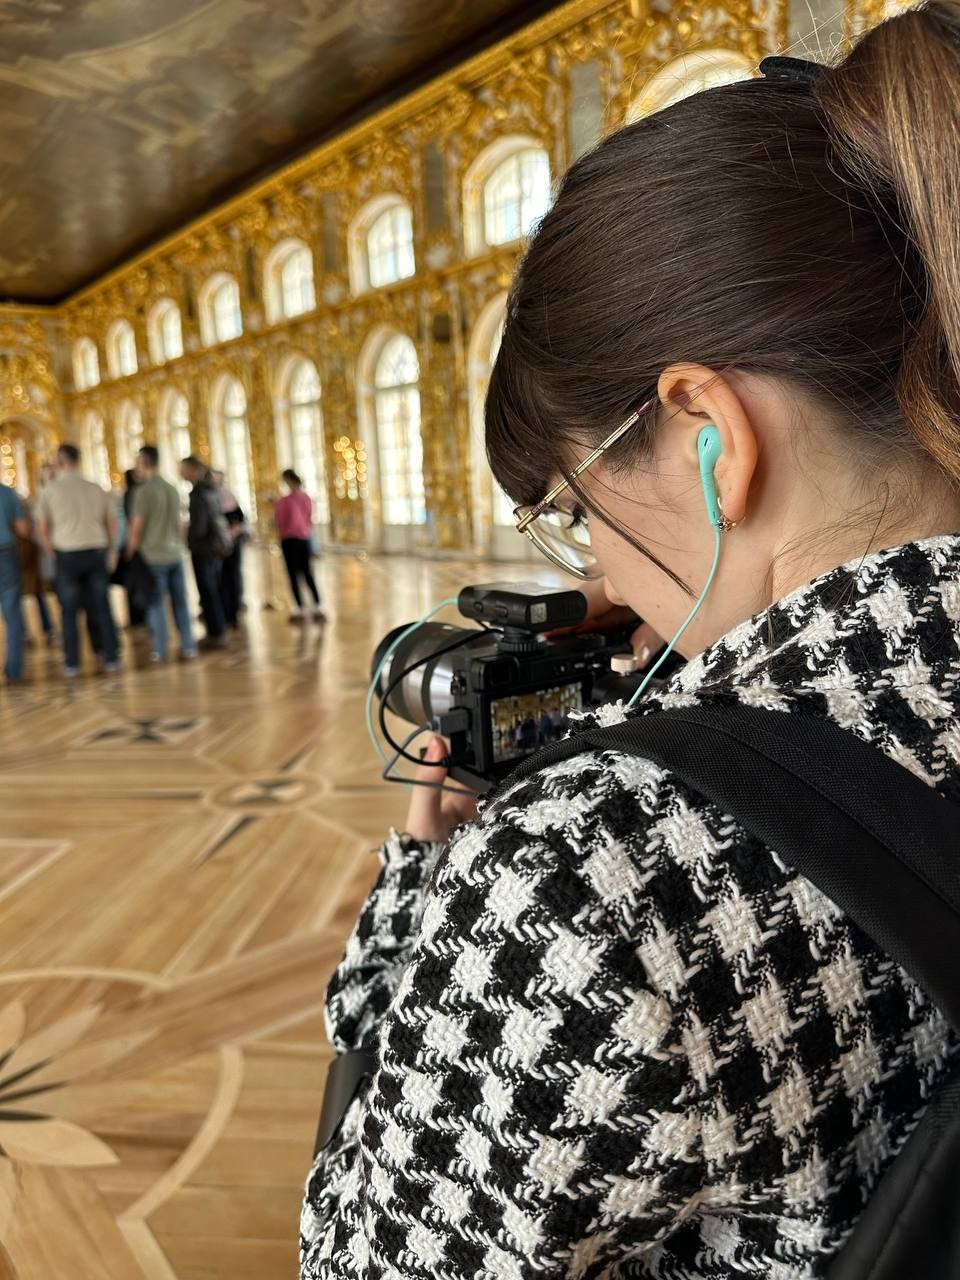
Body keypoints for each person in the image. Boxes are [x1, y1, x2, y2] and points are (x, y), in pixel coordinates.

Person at [301, 8, 960, 1278]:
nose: (599, 570)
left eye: (575, 508)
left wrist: (441, 899)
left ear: (710, 426)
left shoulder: (597, 875)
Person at [37, 444, 120, 677]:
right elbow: (112, 523)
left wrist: (50, 550)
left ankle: (72, 663)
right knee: (102, 606)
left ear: (61, 461)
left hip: (67, 554)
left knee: (69, 610)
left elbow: (42, 528)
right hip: (96, 551)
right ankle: (111, 657)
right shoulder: (95, 488)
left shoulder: (50, 491)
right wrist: (111, 549)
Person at [126, 445, 196, 663]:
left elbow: (137, 527)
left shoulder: (143, 491)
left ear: (144, 461)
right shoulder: (172, 488)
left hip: (153, 555)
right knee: (181, 602)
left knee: (155, 603)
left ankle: (161, 649)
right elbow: (180, 524)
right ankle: (188, 646)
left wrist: (129, 551)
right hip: (175, 552)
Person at [180, 455, 227, 650]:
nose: (180, 472)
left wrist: (187, 535)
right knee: (213, 589)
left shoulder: (198, 493)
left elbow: (199, 526)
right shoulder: (210, 489)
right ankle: (218, 630)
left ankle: (215, 633)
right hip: (214, 547)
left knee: (207, 591)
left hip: (203, 548)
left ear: (192, 470)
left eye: (182, 468)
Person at [274, 469, 324, 622]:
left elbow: (280, 522)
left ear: (289, 480)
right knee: (307, 573)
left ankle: (300, 608)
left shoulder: (285, 501)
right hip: (304, 539)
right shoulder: (306, 498)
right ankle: (317, 605)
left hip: (290, 540)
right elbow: (309, 520)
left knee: (294, 574)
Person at [0, 480, 28, 683]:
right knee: (12, 614)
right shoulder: (7, 493)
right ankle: (14, 670)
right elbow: (23, 529)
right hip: (6, 554)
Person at [211, 470, 246, 630]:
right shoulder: (216, 496)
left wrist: (230, 535)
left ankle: (232, 612)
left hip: (228, 543)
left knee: (230, 577)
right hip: (225, 542)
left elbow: (238, 518)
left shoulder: (224, 495)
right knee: (225, 578)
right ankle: (228, 612)